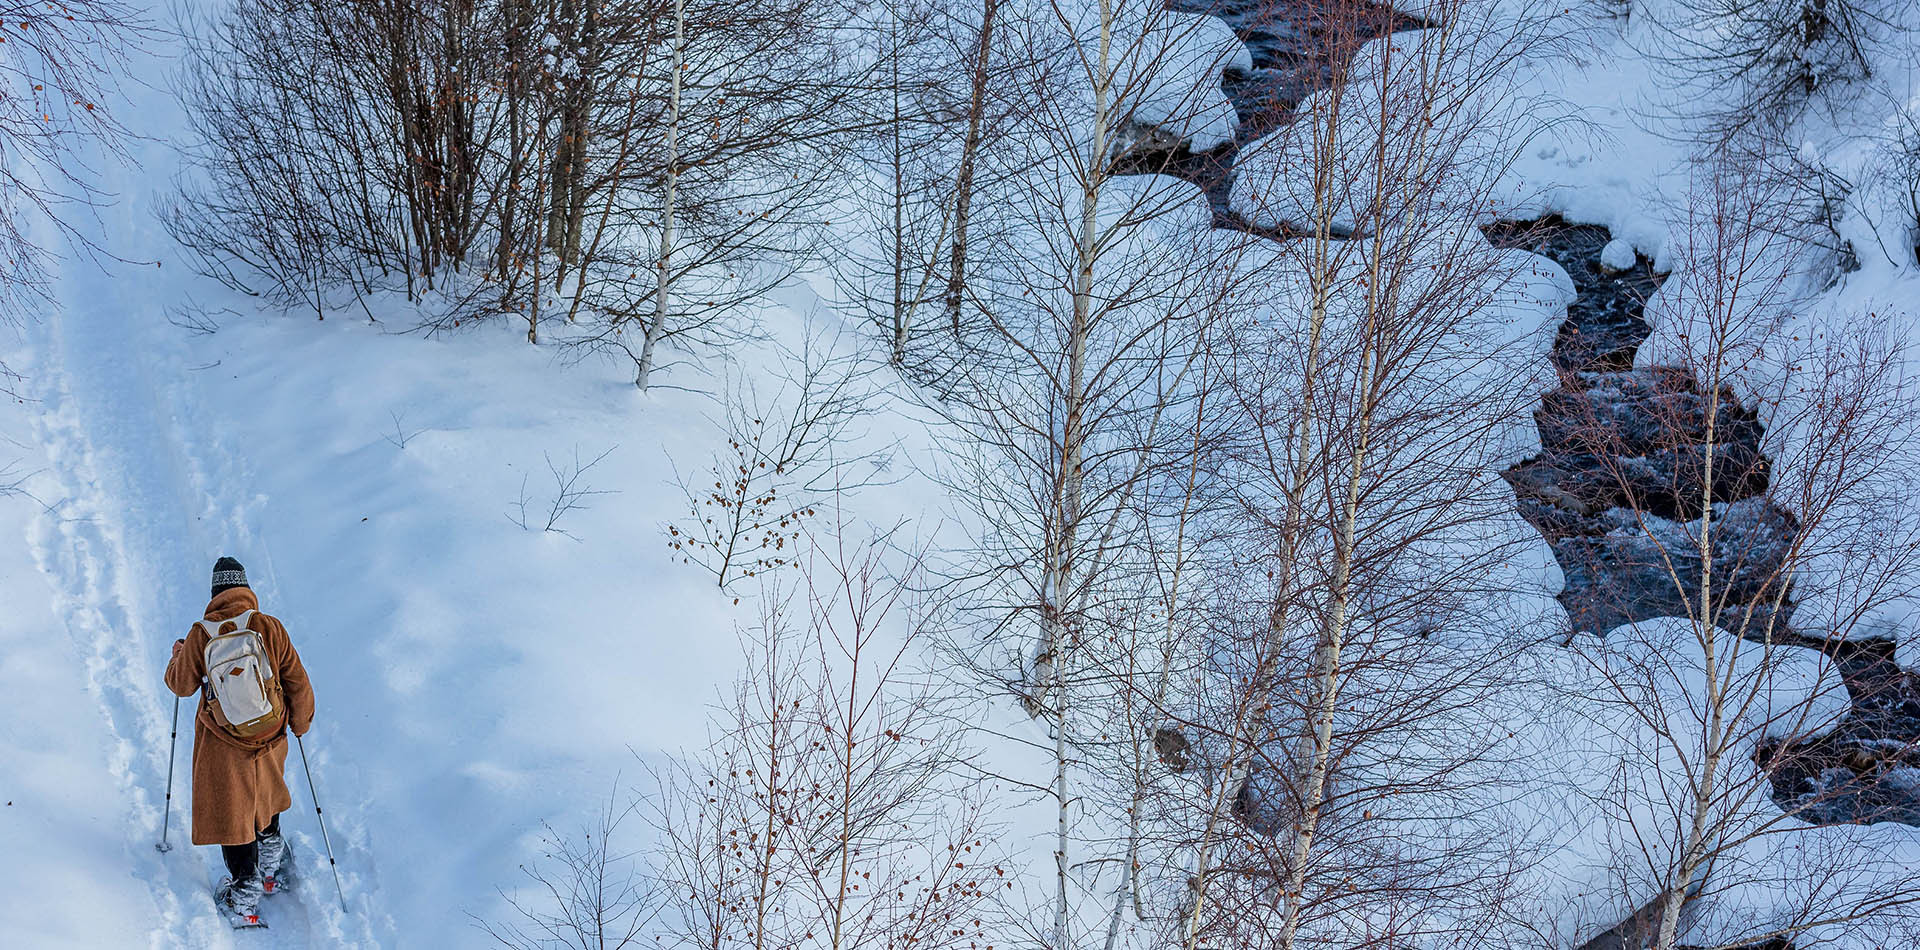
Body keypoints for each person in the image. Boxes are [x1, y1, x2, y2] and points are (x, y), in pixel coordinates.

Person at [164, 557, 315, 926]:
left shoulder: (202, 633)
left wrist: (179, 657)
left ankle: (244, 890)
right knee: (266, 793)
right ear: (245, 589)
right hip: (269, 732)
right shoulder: (268, 626)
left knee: (230, 807)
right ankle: (270, 864)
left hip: (223, 741)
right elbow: (296, 679)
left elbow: (180, 686)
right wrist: (300, 722)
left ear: (215, 593)